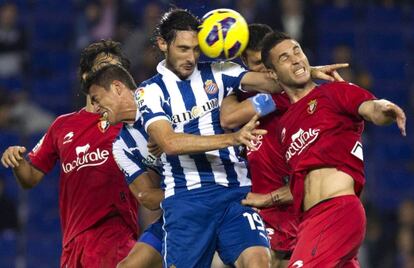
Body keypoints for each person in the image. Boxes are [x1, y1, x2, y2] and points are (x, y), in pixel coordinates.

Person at [131, 8, 347, 268]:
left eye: (196, 50)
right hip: (186, 200)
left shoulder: (220, 71)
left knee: (258, 261)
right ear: (163, 44)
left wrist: (309, 71)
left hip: (235, 194)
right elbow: (169, 142)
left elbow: (271, 81)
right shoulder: (149, 91)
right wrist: (233, 138)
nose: (191, 58)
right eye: (183, 49)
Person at [260, 30, 406, 267]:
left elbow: (371, 108)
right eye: (284, 57)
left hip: (336, 211)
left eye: (297, 51)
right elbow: (296, 186)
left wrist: (386, 108)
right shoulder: (284, 125)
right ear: (272, 73)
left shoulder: (334, 92)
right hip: (308, 222)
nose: (296, 58)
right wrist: (264, 199)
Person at [0, 40, 141, 267]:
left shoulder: (132, 122)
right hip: (72, 246)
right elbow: (30, 178)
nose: (110, 75)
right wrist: (17, 161)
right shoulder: (62, 126)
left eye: (116, 70)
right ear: (86, 77)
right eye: (103, 68)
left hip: (114, 238)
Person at [220, 23, 298, 268]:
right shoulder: (241, 92)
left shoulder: (282, 93)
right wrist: (232, 87)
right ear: (244, 62)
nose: (265, 73)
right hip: (251, 208)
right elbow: (226, 117)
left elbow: (230, 118)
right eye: (256, 65)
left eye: (268, 65)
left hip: (286, 208)